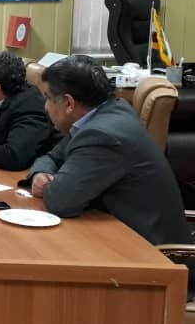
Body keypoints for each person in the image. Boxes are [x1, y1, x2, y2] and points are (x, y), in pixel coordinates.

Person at [28, 55, 191, 248]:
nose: (45, 107)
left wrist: (48, 186)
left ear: (69, 103)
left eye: (47, 98)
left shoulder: (101, 134)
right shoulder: (103, 113)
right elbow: (52, 157)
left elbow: (60, 201)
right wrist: (40, 173)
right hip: (119, 233)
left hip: (152, 252)